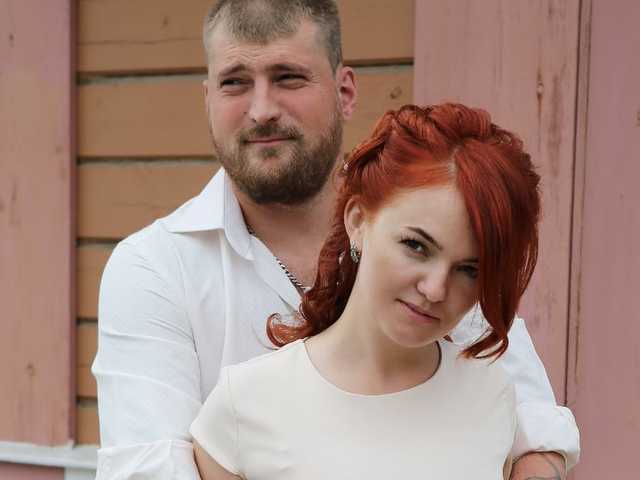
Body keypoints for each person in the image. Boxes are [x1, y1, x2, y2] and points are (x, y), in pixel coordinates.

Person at [92, 1, 579, 479]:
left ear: (345, 92)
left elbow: (530, 421)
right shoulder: (155, 268)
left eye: (288, 78)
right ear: (208, 99)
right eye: (234, 82)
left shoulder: (433, 229)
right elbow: (147, 469)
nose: (261, 110)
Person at [189, 102, 539, 479]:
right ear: (358, 221)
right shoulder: (244, 407)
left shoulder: (491, 395)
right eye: (416, 246)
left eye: (469, 269)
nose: (436, 289)